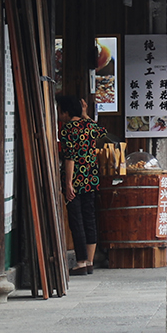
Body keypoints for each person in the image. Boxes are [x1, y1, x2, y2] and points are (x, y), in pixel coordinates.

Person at [57, 93, 107, 276]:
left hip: (76, 181)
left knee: (76, 221)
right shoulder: (88, 126)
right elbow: (102, 131)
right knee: (89, 219)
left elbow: (69, 158)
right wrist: (85, 115)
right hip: (91, 179)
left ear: (66, 111)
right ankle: (90, 261)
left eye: (60, 110)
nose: (58, 113)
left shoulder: (67, 129)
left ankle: (80, 262)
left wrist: (68, 183)